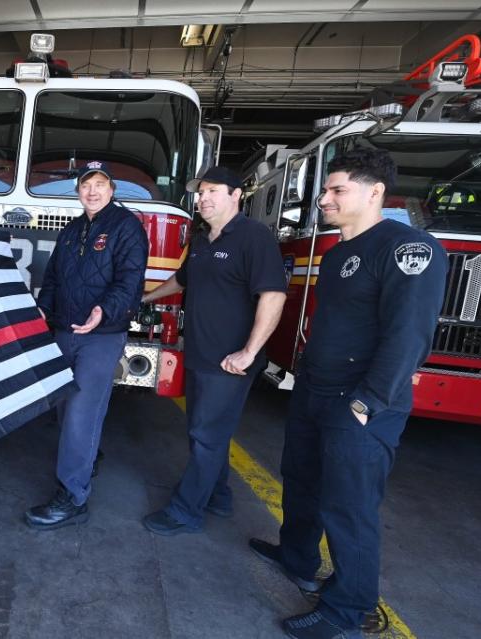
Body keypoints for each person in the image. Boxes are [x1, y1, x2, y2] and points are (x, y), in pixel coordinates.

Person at [248, 148, 447, 639]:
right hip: (315, 390)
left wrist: (367, 402)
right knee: (301, 477)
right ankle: (296, 556)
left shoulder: (408, 248)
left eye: (337, 190)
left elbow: (408, 337)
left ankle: (347, 610)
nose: (324, 199)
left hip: (359, 401)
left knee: (348, 507)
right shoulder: (337, 254)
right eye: (326, 190)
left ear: (375, 191)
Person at [140, 166, 287, 535]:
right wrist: (146, 296)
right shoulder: (203, 240)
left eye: (212, 191)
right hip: (201, 355)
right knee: (203, 432)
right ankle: (218, 495)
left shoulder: (255, 237)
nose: (203, 198)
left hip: (230, 362)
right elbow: (181, 278)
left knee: (206, 436)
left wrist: (249, 352)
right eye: (200, 192)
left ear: (236, 195)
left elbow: (273, 295)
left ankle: (185, 511)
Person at [24, 160, 148, 530]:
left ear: (112, 190)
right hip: (65, 332)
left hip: (102, 335)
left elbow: (130, 282)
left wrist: (102, 311)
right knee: (66, 408)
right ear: (77, 191)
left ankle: (73, 497)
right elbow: (54, 281)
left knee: (81, 413)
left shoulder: (126, 227)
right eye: (85, 185)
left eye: (100, 184)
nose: (92, 191)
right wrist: (40, 313)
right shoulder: (71, 230)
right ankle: (86, 458)